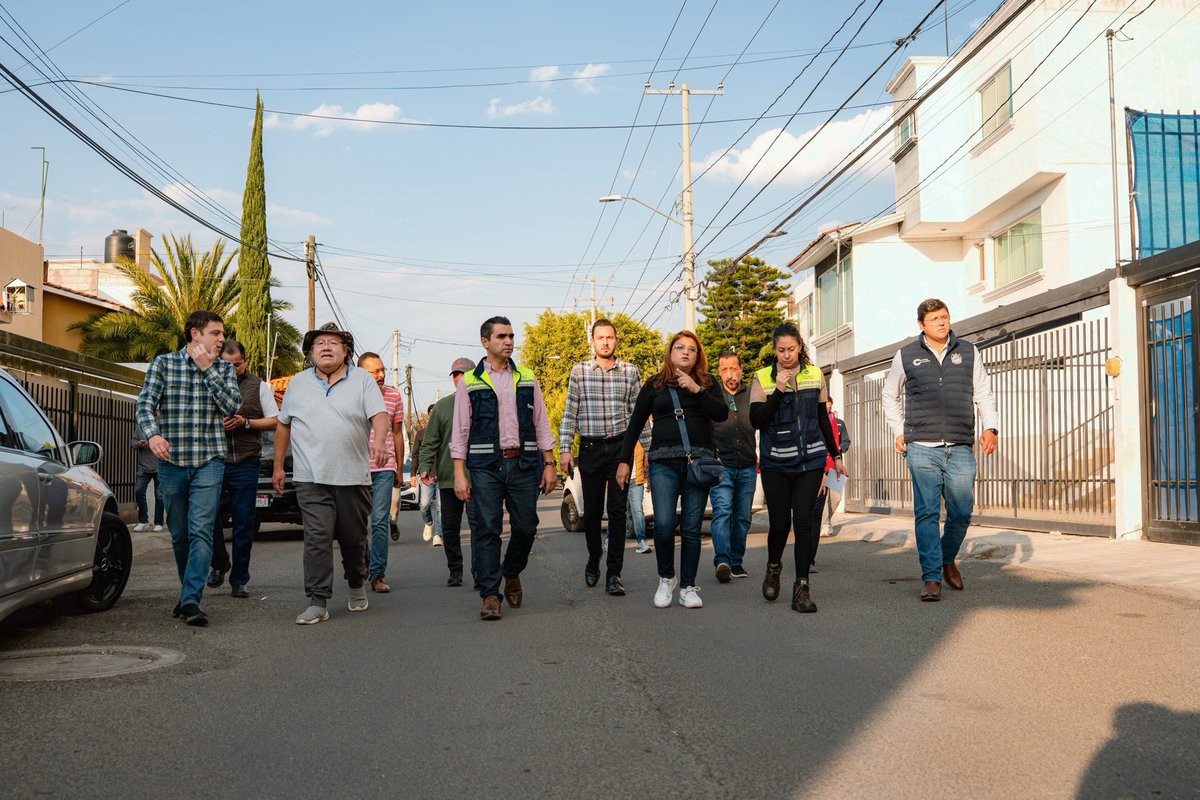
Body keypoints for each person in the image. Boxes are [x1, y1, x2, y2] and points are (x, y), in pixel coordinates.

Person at [881, 298, 998, 602]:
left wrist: (990, 427)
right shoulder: (905, 355)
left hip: (960, 444)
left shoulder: (969, 351)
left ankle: (947, 559)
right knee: (927, 512)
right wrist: (899, 431)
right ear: (921, 324)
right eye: (934, 319)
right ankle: (931, 576)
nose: (941, 323)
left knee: (961, 510)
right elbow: (889, 395)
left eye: (944, 317)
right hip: (921, 446)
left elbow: (983, 392)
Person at [275, 322, 389, 624]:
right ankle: (317, 600)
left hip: (353, 477)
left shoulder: (362, 380)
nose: (326, 347)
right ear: (311, 352)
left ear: (346, 350)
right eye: (320, 343)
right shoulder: (297, 384)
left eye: (334, 343)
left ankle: (355, 583)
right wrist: (277, 467)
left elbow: (379, 415)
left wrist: (378, 441)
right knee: (317, 538)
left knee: (353, 540)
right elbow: (283, 425)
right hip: (310, 477)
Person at [135, 309, 242, 627]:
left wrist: (207, 369)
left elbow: (232, 406)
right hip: (171, 463)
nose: (222, 339)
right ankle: (187, 593)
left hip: (209, 460)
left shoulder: (223, 369)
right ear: (195, 333)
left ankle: (192, 599)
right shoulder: (163, 364)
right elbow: (144, 403)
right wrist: (152, 434)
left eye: (222, 334)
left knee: (201, 531)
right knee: (179, 533)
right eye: (216, 333)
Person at [451, 316, 556, 621]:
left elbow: (541, 422)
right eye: (501, 337)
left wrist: (549, 464)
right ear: (485, 342)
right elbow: (460, 431)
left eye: (511, 336)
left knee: (526, 527)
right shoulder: (470, 381)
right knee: (487, 529)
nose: (509, 341)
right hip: (485, 467)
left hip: (523, 465)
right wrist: (460, 474)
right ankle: (490, 596)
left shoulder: (526, 376)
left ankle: (511, 571)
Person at [617, 330, 728, 610]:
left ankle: (688, 587)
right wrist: (624, 461)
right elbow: (635, 424)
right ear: (670, 352)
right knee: (664, 525)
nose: (686, 352)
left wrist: (696, 390)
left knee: (691, 528)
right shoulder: (654, 385)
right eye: (680, 347)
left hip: (698, 465)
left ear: (698, 355)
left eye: (692, 348)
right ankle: (667, 577)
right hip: (663, 464)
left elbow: (721, 413)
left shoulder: (707, 382)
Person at [750, 322, 847, 615]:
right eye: (781, 350)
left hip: (810, 460)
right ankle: (773, 567)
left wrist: (836, 455)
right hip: (775, 462)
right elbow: (757, 420)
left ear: (800, 347)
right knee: (780, 524)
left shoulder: (815, 375)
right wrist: (778, 390)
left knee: (804, 521)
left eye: (791, 349)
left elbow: (821, 418)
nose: (787, 355)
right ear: (774, 350)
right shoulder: (762, 378)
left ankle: (802, 587)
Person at [558, 318, 645, 596]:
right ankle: (594, 558)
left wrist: (649, 453)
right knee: (593, 513)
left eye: (610, 337)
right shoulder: (579, 372)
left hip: (621, 450)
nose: (605, 342)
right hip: (591, 450)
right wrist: (564, 449)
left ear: (616, 340)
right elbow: (570, 413)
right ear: (592, 342)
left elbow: (638, 417)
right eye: (600, 338)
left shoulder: (630, 372)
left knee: (618, 512)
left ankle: (614, 573)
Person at [206, 340, 278, 598]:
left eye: (237, 364)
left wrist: (245, 422)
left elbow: (275, 421)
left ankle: (239, 579)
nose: (232, 369)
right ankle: (219, 562)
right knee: (208, 516)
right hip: (214, 460)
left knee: (244, 522)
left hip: (247, 461)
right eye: (226, 365)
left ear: (245, 361)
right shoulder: (207, 382)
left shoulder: (259, 386)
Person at [420, 357, 478, 587]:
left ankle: (480, 571)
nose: (459, 378)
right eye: (455, 375)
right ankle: (456, 570)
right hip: (448, 479)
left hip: (478, 478)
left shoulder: (485, 402)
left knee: (479, 527)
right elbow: (430, 440)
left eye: (464, 374)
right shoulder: (443, 406)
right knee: (451, 528)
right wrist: (424, 465)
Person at [357, 352, 405, 594]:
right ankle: (365, 563)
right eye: (374, 371)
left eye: (382, 370)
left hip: (384, 468)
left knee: (379, 522)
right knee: (356, 524)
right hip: (355, 468)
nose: (381, 375)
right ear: (361, 373)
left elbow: (397, 433)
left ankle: (377, 575)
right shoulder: (353, 395)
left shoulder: (394, 396)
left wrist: (399, 467)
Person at [710, 350, 757, 583]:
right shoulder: (713, 397)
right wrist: (712, 456)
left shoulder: (752, 394)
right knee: (722, 512)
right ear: (719, 372)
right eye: (724, 369)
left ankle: (736, 561)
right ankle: (723, 560)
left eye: (733, 368)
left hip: (748, 465)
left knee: (742, 517)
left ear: (740, 369)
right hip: (721, 466)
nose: (729, 374)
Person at [809, 400, 851, 570]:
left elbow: (835, 443)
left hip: (828, 468)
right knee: (806, 514)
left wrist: (837, 459)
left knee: (820, 509)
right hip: (804, 468)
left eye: (827, 403)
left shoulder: (834, 421)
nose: (825, 405)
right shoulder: (805, 417)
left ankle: (809, 559)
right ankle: (804, 556)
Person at [413, 407, 442, 546]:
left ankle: (438, 535)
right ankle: (429, 522)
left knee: (441, 507)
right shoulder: (421, 434)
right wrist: (413, 473)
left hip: (442, 475)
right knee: (424, 504)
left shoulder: (444, 432)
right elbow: (415, 455)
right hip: (426, 475)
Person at [131, 420, 163, 532]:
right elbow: (133, 442)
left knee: (159, 496)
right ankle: (143, 521)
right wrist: (139, 444)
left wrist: (155, 444)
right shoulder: (140, 426)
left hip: (160, 466)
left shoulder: (162, 424)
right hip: (143, 467)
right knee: (139, 491)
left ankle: (158, 523)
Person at [626, 441, 652, 555]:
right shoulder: (618, 435)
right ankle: (610, 539)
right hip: (619, 479)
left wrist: (649, 479)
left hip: (636, 480)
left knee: (637, 511)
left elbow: (648, 461)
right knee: (616, 511)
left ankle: (641, 541)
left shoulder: (641, 439)